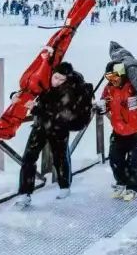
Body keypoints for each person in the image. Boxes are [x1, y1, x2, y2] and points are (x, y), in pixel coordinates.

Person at [13, 62, 87, 207]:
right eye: (56, 77)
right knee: (29, 157)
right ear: (52, 74)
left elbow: (58, 114)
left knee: (59, 158)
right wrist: (15, 96)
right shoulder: (45, 82)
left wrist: (35, 109)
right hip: (40, 126)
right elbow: (31, 91)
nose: (57, 81)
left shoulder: (69, 91)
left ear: (67, 79)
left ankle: (64, 187)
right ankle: (24, 193)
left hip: (59, 128)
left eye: (61, 79)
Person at [99, 62, 137, 201]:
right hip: (118, 131)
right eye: (109, 77)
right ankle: (122, 182)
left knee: (134, 161)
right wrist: (101, 108)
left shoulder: (133, 86)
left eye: (114, 76)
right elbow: (105, 102)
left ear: (121, 74)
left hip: (136, 131)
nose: (112, 80)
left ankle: (133, 187)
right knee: (114, 159)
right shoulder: (109, 89)